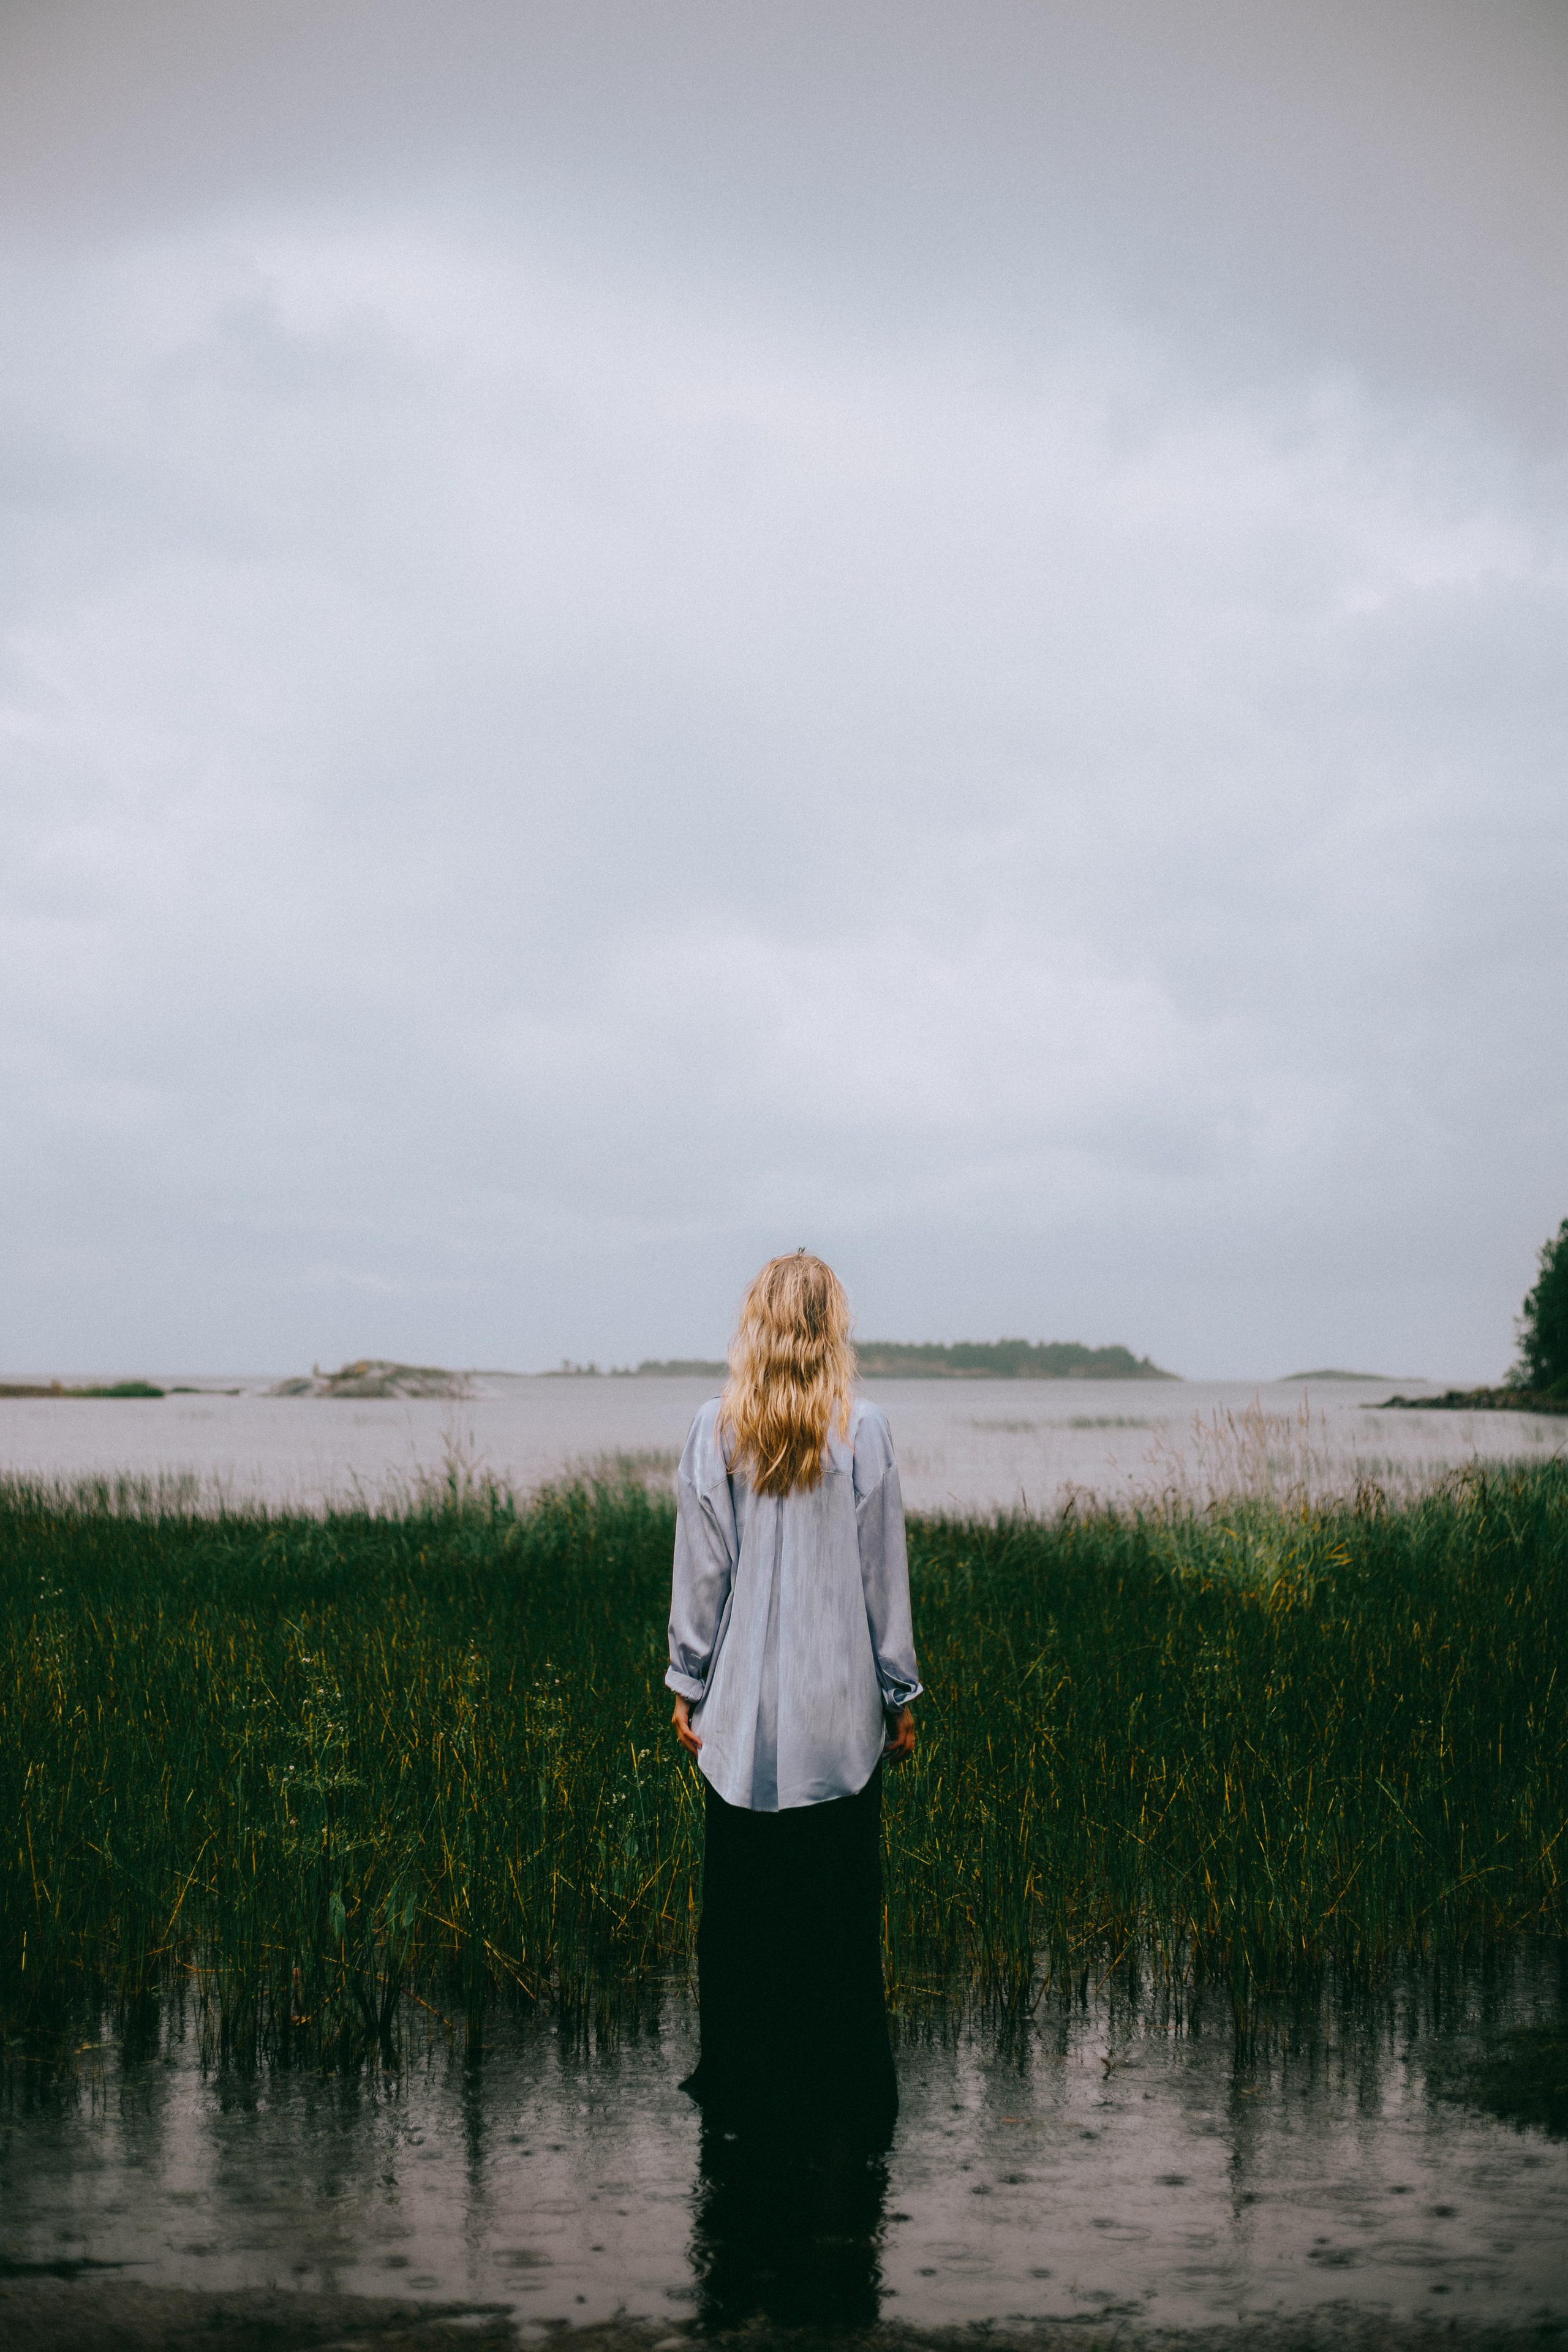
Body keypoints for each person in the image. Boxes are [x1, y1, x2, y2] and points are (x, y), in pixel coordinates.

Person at [666, 1250, 921, 2136]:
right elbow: (882, 1577)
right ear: (831, 1329)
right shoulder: (867, 1430)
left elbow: (703, 1572)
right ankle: (841, 2099)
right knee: (838, 1918)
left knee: (744, 1919)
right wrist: (899, 1695)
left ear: (759, 1327)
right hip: (838, 1716)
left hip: (742, 1716)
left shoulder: (717, 1429)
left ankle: (743, 2093)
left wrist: (688, 1683)